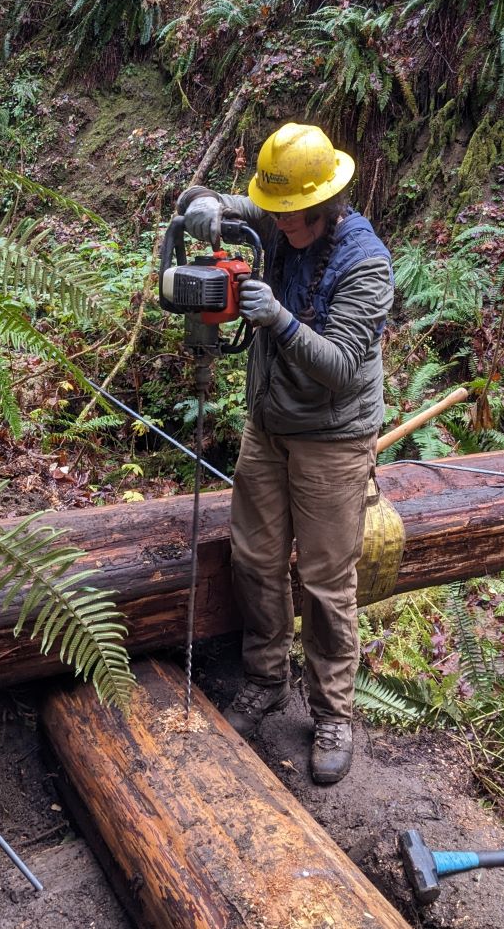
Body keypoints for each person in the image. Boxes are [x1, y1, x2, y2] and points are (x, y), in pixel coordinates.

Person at [177, 122, 393, 784]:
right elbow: (206, 200)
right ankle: (265, 677)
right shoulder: (275, 218)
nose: (278, 225)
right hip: (268, 426)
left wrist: (278, 318)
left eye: (290, 215)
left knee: (327, 583)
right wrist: (204, 205)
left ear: (323, 204)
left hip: (333, 437)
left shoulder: (366, 264)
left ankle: (332, 712)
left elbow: (337, 366)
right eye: (272, 212)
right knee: (255, 559)